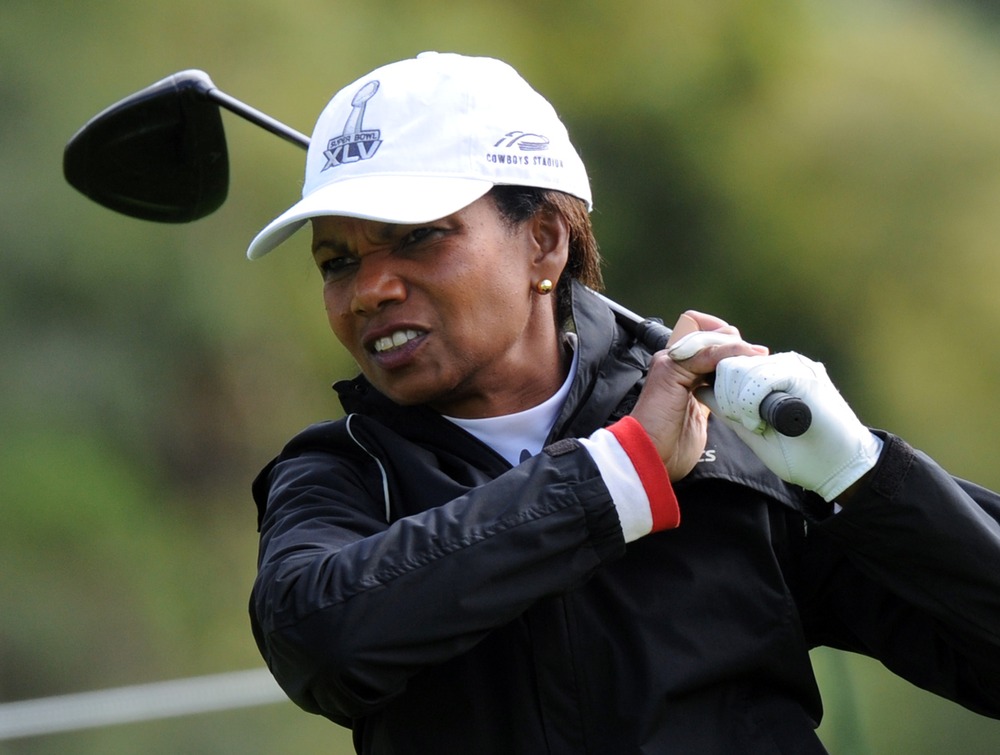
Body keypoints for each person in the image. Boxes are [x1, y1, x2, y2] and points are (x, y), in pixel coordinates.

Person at [246, 52, 1000, 753]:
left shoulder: (726, 443)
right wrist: (622, 471)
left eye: (415, 237)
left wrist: (866, 477)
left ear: (544, 241)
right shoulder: (343, 473)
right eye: (337, 260)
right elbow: (321, 638)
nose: (368, 289)